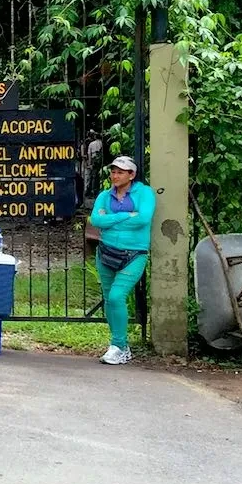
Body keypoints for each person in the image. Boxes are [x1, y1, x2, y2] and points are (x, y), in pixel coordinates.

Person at [90, 155, 156, 365]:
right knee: (109, 299)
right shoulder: (104, 195)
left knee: (118, 296)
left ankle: (118, 345)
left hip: (134, 254)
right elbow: (96, 220)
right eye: (113, 171)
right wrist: (126, 216)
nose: (115, 175)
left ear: (132, 175)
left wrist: (110, 221)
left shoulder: (144, 193)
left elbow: (144, 219)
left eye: (120, 172)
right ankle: (120, 345)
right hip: (106, 252)